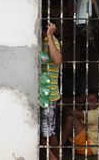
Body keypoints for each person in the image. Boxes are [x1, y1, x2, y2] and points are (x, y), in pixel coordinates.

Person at [61, 89, 99, 156]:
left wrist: (64, 105)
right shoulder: (91, 111)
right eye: (87, 101)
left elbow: (74, 113)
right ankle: (68, 143)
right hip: (88, 143)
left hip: (90, 147)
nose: (88, 103)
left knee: (71, 118)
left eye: (91, 100)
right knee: (70, 118)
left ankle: (59, 147)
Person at [40, 22, 62, 160]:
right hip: (39, 94)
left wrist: (49, 36)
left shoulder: (52, 40)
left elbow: (58, 60)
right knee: (45, 132)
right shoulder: (36, 40)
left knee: (48, 132)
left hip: (48, 95)